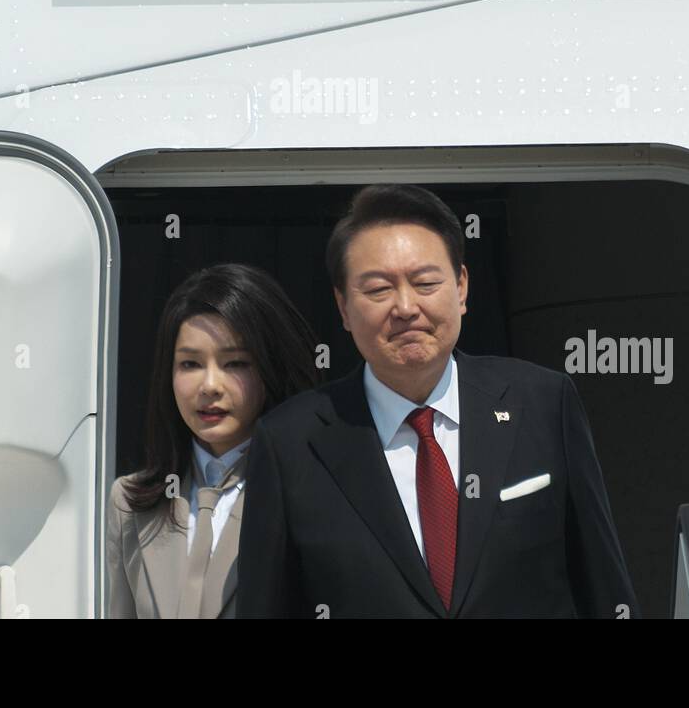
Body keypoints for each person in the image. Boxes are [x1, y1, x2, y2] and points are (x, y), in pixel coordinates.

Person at [237, 184, 639, 618]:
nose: (406, 307)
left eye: (426, 283)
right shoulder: (291, 442)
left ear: (461, 287)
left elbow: (603, 582)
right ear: (343, 307)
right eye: (378, 290)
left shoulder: (543, 403)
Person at [105, 263, 317, 618]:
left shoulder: (312, 492)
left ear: (270, 368)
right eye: (190, 364)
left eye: (235, 363)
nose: (210, 386)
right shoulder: (129, 501)